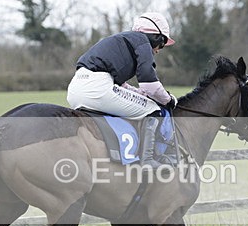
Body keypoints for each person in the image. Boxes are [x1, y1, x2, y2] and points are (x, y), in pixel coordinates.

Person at [67, 12, 177, 169]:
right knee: (153, 109)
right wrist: (169, 99)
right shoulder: (142, 42)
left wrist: (138, 93)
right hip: (97, 88)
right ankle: (147, 160)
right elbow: (150, 85)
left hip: (75, 89)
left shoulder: (122, 41)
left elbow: (121, 85)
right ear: (156, 36)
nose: (159, 50)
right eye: (161, 44)